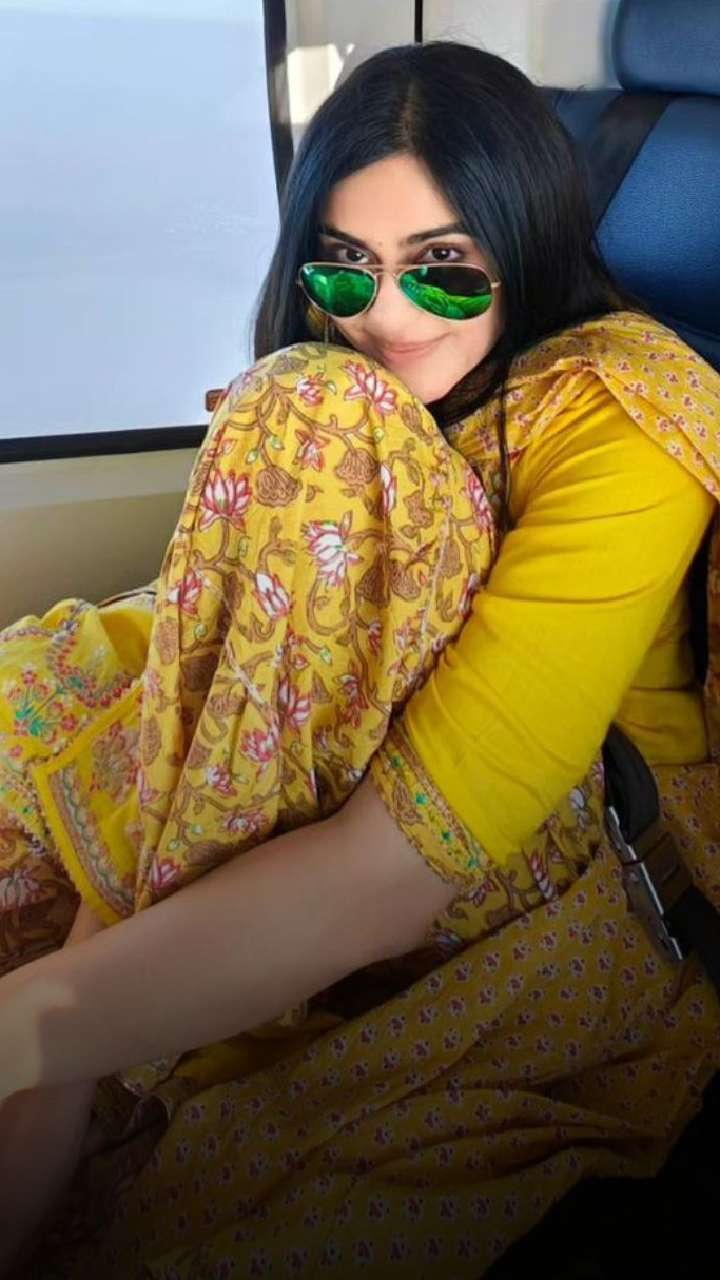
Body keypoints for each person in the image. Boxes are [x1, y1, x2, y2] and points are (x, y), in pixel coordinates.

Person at [1, 38, 720, 1279]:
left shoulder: (626, 417)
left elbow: (396, 867)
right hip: (356, 763)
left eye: (443, 269)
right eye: (344, 266)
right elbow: (225, 674)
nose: (384, 318)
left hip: (572, 862)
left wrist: (34, 1035)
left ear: (525, 244)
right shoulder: (377, 384)